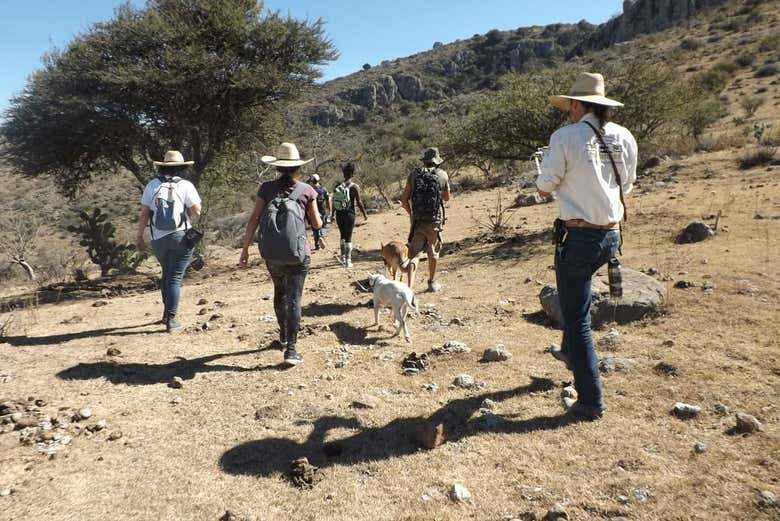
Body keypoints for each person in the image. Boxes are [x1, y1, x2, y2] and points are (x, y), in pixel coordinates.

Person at [536, 72, 637, 420]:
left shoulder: (565, 137)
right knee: (576, 301)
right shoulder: (624, 136)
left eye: (570, 106)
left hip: (578, 236)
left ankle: (590, 401)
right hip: (612, 234)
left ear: (578, 105)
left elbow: (545, 184)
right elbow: (628, 182)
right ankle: (569, 353)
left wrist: (547, 179)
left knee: (577, 316)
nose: (568, 111)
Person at [238, 143, 322, 367]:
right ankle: (292, 351)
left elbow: (254, 220)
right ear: (297, 168)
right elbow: (316, 223)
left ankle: (283, 336)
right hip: (298, 254)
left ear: (277, 168)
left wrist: (245, 249)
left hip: (272, 254)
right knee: (295, 298)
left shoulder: (265, 189)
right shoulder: (307, 190)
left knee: (280, 292)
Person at [136, 150, 202, 332]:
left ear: (163, 166)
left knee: (166, 273)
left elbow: (144, 213)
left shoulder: (152, 185)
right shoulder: (186, 185)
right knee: (175, 277)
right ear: (181, 168)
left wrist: (139, 236)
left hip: (157, 238)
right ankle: (171, 321)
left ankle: (166, 314)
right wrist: (188, 220)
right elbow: (197, 210)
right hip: (181, 236)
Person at [400, 147, 451, 292]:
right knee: (433, 252)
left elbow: (404, 200)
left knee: (414, 254)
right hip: (434, 220)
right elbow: (447, 198)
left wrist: (411, 213)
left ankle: (409, 288)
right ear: (437, 162)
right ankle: (432, 283)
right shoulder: (443, 175)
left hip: (417, 220)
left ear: (425, 161)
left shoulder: (414, 175)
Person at [330, 162, 368, 268]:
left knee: (342, 235)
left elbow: (334, 201)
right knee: (349, 237)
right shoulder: (354, 187)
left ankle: (342, 258)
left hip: (339, 215)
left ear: (343, 174)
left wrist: (332, 214)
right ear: (352, 174)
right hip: (350, 214)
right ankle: (348, 260)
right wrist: (365, 214)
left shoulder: (338, 186)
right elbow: (359, 202)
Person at [309, 174, 331, 252]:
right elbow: (328, 200)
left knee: (315, 228)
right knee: (324, 226)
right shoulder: (323, 189)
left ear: (312, 181)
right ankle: (322, 237)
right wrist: (329, 210)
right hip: (323, 211)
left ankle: (317, 245)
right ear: (318, 180)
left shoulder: (310, 190)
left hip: (313, 212)